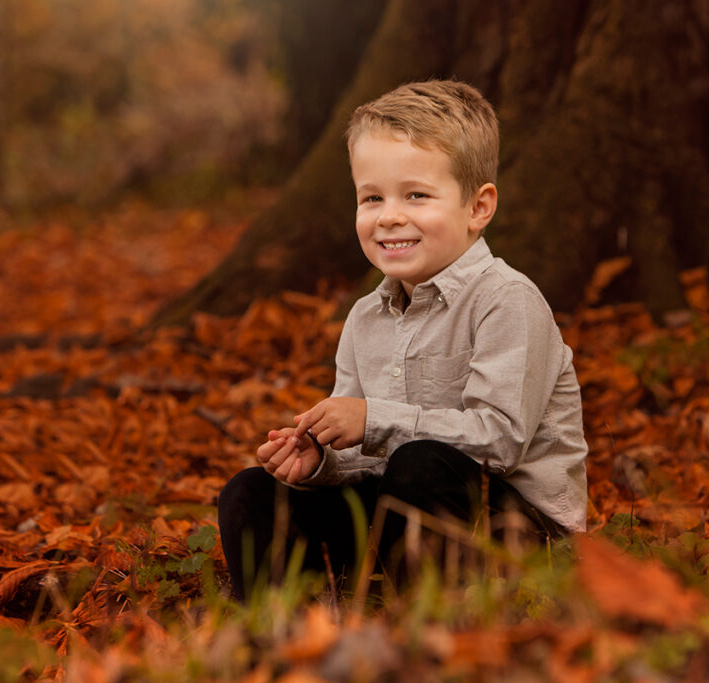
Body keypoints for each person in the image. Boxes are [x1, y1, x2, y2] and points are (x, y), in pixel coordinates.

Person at [218, 79, 588, 601]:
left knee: (422, 463)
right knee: (249, 492)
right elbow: (369, 455)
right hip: (401, 506)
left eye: (416, 194)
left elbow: (500, 442)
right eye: (372, 197)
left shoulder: (506, 300)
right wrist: (321, 461)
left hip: (517, 526)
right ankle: (278, 623)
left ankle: (430, 614)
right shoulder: (365, 317)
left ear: (478, 207)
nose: (389, 215)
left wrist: (373, 419)